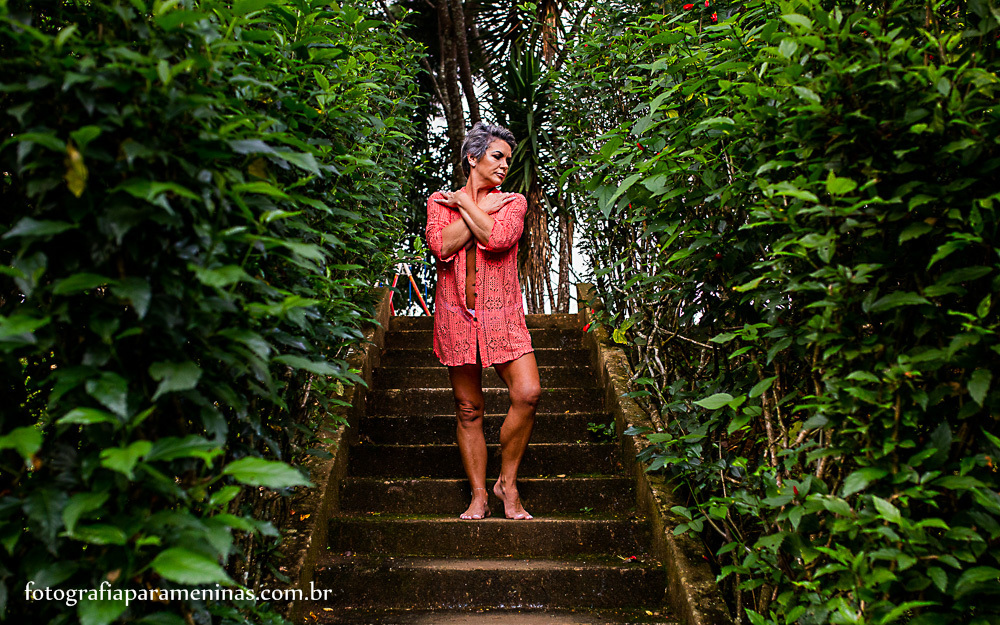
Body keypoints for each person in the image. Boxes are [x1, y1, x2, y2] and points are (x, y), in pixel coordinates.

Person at [425, 122, 541, 520]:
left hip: (503, 315)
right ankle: (479, 494)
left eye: (509, 159)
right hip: (456, 315)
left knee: (527, 393)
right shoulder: (439, 203)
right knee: (468, 408)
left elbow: (499, 239)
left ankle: (506, 483)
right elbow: (440, 246)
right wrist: (474, 209)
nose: (506, 165)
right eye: (497, 156)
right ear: (472, 158)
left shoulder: (513, 202)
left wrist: (469, 207)